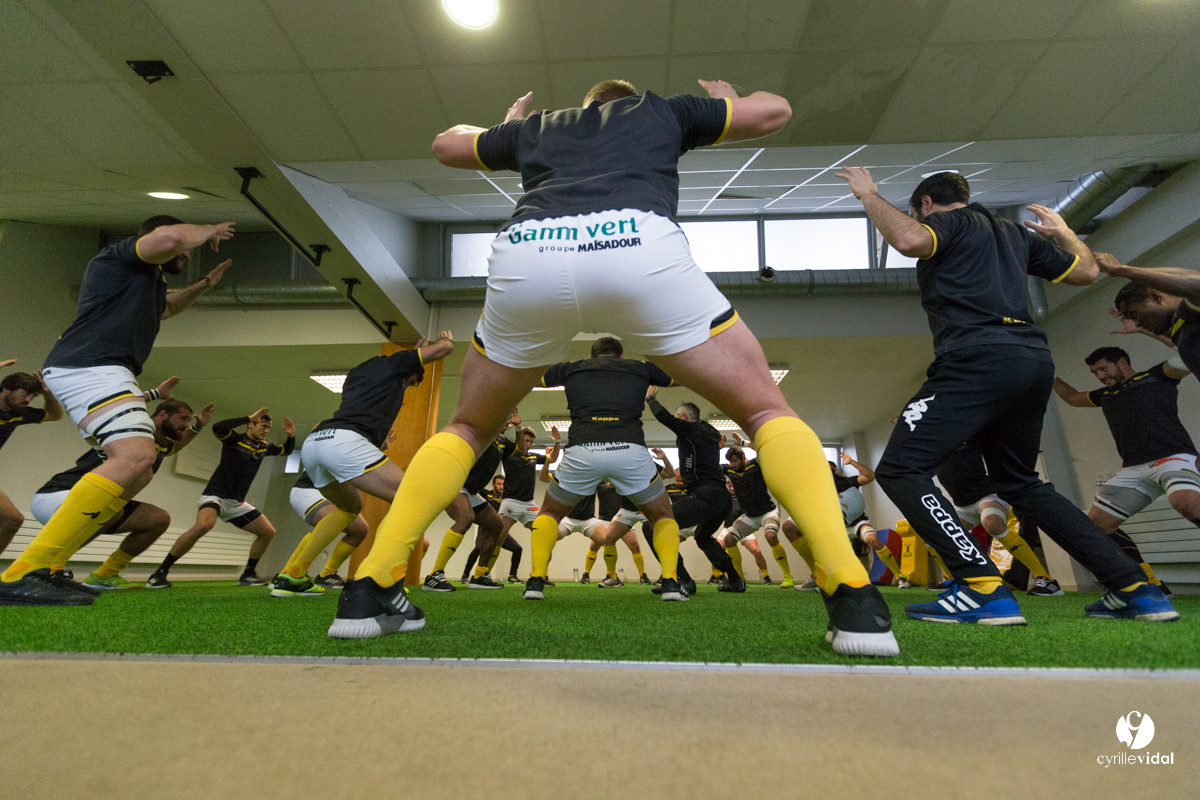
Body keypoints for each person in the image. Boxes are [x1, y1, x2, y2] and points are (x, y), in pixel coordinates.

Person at [332, 76, 896, 657]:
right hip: (636, 244)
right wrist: (730, 101)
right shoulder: (665, 113)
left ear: (585, 106)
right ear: (629, 101)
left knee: (469, 428)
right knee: (763, 410)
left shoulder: (538, 128)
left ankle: (373, 584)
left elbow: (446, 145)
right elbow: (776, 111)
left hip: (533, 252)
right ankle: (852, 591)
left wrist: (502, 129)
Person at [836, 167, 1176, 623]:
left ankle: (981, 587)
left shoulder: (950, 222)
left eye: (917, 210)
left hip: (976, 357)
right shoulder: (1014, 234)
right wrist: (1066, 234)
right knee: (1020, 483)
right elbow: (1088, 271)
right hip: (1031, 360)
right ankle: (1135, 587)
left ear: (927, 204)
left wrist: (869, 195)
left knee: (900, 468)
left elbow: (911, 241)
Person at [0, 214, 234, 606]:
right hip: (91, 365)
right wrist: (209, 231)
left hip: (103, 369)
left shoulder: (146, 283)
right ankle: (24, 571)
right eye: (183, 249)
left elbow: (165, 310)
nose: (185, 252)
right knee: (137, 455)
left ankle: (51, 567)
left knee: (137, 473)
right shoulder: (119, 258)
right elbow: (173, 235)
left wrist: (204, 285)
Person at [301, 333, 455, 629]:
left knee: (351, 508)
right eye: (411, 383)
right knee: (414, 497)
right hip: (345, 442)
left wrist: (414, 353)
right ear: (410, 371)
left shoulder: (360, 373)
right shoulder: (396, 364)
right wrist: (444, 341)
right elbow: (445, 349)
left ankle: (293, 575)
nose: (408, 387)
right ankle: (376, 580)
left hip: (315, 444)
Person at [521, 337, 676, 601]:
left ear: (592, 357)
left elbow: (528, 378)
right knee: (663, 516)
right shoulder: (640, 367)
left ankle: (535, 581)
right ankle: (671, 584)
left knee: (549, 513)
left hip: (582, 451)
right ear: (621, 354)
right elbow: (682, 376)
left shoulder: (571, 368)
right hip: (629, 451)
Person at [32, 392, 210, 590]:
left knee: (158, 519)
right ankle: (49, 569)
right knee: (109, 508)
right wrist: (154, 393)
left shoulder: (158, 443)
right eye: (183, 419)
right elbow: (120, 408)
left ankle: (104, 575)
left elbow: (175, 447)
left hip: (94, 503)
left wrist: (198, 426)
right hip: (57, 495)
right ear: (162, 415)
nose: (185, 424)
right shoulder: (132, 433)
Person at [1053, 345, 1197, 588]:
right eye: (1094, 373)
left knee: (1187, 505)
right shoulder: (1106, 394)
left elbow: (1188, 354)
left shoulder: (1156, 376)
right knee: (1097, 527)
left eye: (1102, 368)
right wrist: (1045, 371)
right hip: (1134, 469)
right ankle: (1150, 581)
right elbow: (1073, 398)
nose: (1099, 376)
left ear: (1121, 362)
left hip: (1173, 458)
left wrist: (1151, 330)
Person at [147, 407, 295, 588]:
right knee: (203, 525)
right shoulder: (234, 440)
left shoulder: (264, 447)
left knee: (268, 532)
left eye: (268, 428)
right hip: (215, 495)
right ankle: (159, 573)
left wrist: (291, 436)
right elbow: (218, 427)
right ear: (251, 425)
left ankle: (248, 574)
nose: (265, 431)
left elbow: (286, 450)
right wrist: (247, 415)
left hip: (236, 503)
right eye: (262, 426)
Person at [935, 444, 1062, 596]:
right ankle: (954, 579)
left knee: (993, 524)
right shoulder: (936, 445)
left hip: (987, 496)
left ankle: (1046, 580)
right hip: (963, 506)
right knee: (935, 535)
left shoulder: (968, 432)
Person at [426, 412, 522, 591]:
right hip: (454, 483)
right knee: (465, 518)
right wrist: (501, 422)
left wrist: (518, 427)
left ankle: (479, 575)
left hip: (471, 490)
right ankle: (434, 575)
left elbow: (522, 450)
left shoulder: (501, 441)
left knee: (495, 525)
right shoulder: (482, 431)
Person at [1098, 255, 1200, 379]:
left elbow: (1197, 283)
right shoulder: (1181, 329)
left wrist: (1120, 269)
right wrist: (1143, 330)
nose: (1138, 323)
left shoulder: (1190, 309)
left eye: (1135, 314)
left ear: (1155, 296)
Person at [0, 361, 63, 554]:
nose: (28, 399)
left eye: (33, 396)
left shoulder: (19, 414)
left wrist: (47, 394)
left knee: (13, 519)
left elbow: (55, 415)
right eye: (24, 393)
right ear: (6, 390)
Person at [714, 435, 794, 587]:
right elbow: (711, 464)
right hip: (750, 516)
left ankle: (788, 576)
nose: (732, 464)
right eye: (730, 462)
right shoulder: (729, 470)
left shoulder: (754, 465)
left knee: (770, 536)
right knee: (729, 540)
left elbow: (765, 450)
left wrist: (744, 442)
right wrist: (717, 449)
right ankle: (739, 579)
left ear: (743, 457)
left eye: (735, 461)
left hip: (768, 512)